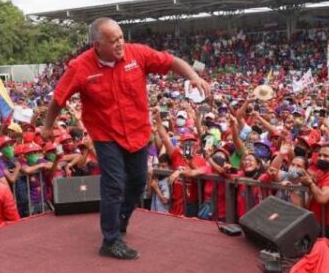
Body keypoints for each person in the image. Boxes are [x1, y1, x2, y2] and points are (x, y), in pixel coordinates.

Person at [40, 17, 211, 260]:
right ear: (97, 45)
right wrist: (47, 126)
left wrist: (193, 76)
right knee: (114, 182)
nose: (120, 44)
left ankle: (121, 217)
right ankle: (110, 240)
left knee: (138, 182)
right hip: (106, 134)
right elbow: (58, 99)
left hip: (138, 131)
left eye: (121, 37)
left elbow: (171, 61)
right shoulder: (80, 67)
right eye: (113, 40)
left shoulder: (137, 54)